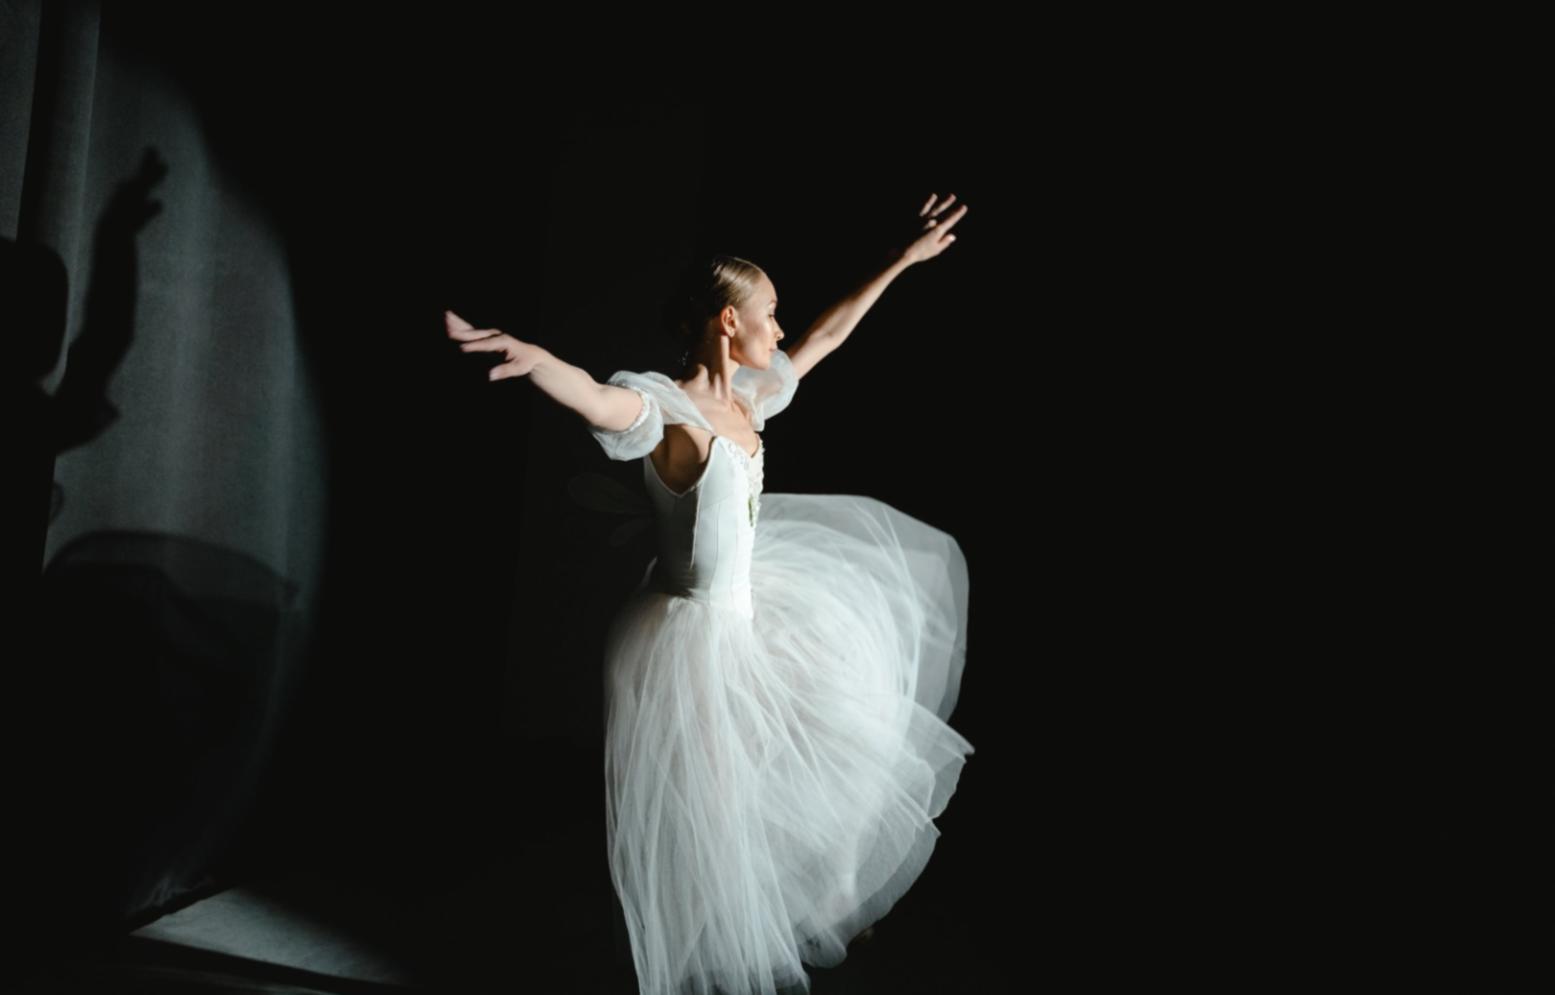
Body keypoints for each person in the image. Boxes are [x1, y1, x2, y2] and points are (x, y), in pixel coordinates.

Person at [447, 193, 974, 995]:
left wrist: (901, 260)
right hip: (693, 638)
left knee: (843, 742)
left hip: (760, 612)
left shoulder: (750, 399)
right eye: (767, 312)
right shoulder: (670, 411)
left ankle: (825, 900)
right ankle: (716, 963)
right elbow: (596, 397)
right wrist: (533, 356)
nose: (777, 327)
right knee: (715, 815)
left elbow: (826, 334)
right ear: (729, 321)